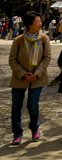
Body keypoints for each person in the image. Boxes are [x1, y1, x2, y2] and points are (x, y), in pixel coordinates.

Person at [9, 12, 51, 145]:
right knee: (16, 107)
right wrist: (22, 73)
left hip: (37, 78)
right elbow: (12, 60)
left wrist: (37, 73)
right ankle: (17, 133)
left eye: (40, 21)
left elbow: (47, 58)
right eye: (37, 21)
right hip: (19, 78)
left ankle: (34, 127)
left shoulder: (44, 38)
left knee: (32, 105)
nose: (40, 23)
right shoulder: (19, 40)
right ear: (29, 24)